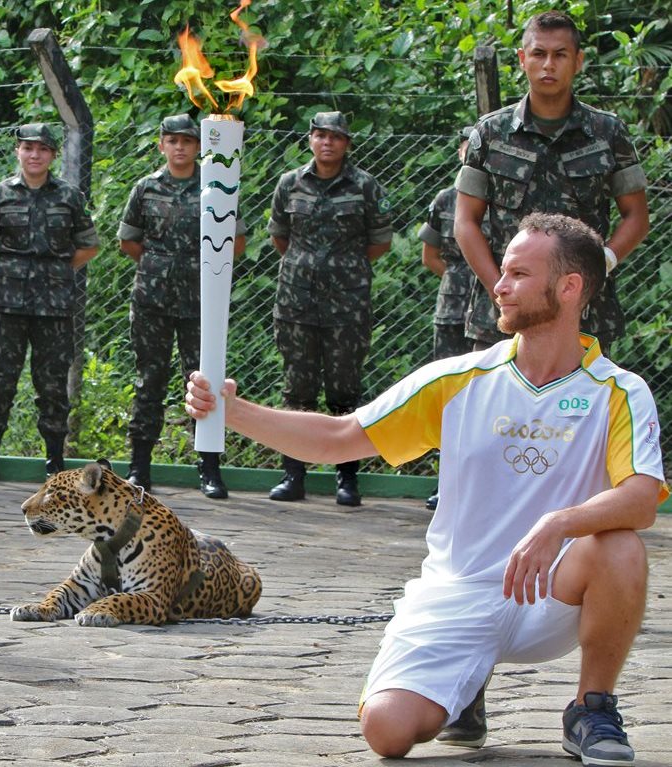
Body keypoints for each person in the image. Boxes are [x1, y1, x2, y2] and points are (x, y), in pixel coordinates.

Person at [186, 213, 667, 764]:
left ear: (569, 287)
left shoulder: (619, 391)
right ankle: (464, 686)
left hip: (552, 593)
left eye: (517, 274)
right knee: (387, 732)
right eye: (502, 272)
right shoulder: (457, 380)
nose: (499, 286)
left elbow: (640, 497)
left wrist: (560, 523)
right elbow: (339, 438)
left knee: (619, 545)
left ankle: (591, 707)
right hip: (458, 592)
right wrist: (233, 412)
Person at [455, 10, 649, 354]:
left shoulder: (608, 132)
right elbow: (465, 222)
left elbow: (637, 216)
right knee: (495, 391)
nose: (548, 65)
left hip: (583, 311)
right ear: (522, 59)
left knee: (583, 391)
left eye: (560, 55)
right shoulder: (490, 133)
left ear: (578, 61)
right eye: (539, 54)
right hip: (502, 315)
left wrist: (604, 260)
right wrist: (498, 287)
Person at [117, 113, 247, 499]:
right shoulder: (146, 188)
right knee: (149, 381)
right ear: (161, 145)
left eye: (187, 141)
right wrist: (162, 267)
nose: (179, 147)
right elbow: (129, 242)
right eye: (172, 141)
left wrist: (199, 270)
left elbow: (236, 242)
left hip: (201, 303)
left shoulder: (216, 187)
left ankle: (209, 468)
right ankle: (139, 468)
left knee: (205, 382)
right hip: (152, 302)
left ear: (199, 146)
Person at [0, 123, 99, 485]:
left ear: (52, 155)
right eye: (28, 148)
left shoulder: (69, 197)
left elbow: (88, 246)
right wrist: (16, 272)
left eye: (42, 149)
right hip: (7, 306)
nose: (34, 155)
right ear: (17, 152)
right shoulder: (1, 194)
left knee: (52, 386)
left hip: (54, 307)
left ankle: (55, 465)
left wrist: (55, 272)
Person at [266, 111, 392, 506]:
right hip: (297, 304)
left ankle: (347, 479)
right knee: (297, 391)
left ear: (346, 143)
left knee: (344, 392)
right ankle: (293, 475)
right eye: (320, 135)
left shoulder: (365, 186)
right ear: (310, 140)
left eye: (335, 137)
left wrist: (342, 269)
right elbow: (280, 237)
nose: (327, 143)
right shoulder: (290, 184)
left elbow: (380, 242)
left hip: (347, 306)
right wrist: (307, 267)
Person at [417, 127, 477, 511]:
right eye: (468, 146)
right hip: (453, 307)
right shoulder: (445, 199)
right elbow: (430, 255)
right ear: (459, 152)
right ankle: (447, 483)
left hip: (495, 307)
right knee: (450, 395)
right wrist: (458, 280)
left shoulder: (507, 196)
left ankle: (479, 484)